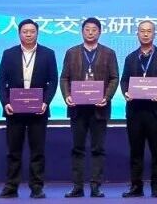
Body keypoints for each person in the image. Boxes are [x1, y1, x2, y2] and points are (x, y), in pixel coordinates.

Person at [0, 19, 58, 199]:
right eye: (25, 31)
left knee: (37, 151)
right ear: (19, 34)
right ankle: (11, 187)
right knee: (13, 151)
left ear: (37, 33)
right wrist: (5, 102)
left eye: (32, 31)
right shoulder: (9, 54)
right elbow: (1, 82)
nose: (28, 34)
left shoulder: (48, 54)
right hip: (14, 110)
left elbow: (53, 80)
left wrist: (46, 102)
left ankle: (37, 187)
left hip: (38, 110)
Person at [59, 17, 119, 198]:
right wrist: (67, 96)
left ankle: (95, 186)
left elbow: (114, 78)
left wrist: (106, 97)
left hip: (99, 109)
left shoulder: (109, 53)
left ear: (100, 32)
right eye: (87, 29)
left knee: (97, 149)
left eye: (94, 29)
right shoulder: (72, 52)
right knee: (77, 148)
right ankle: (77, 187)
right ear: (82, 31)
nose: (90, 32)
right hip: (77, 108)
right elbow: (64, 78)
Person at [120, 20, 157, 198]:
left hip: (156, 111)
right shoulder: (130, 57)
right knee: (135, 151)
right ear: (137, 34)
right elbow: (124, 80)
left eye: (149, 31)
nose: (145, 34)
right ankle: (136, 187)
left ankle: (156, 187)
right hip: (135, 111)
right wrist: (125, 92)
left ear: (154, 34)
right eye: (142, 31)